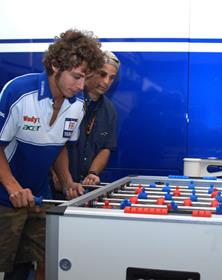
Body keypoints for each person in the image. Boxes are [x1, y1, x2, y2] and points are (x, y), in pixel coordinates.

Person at [0, 29, 103, 280]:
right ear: (56, 65)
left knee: (34, 261)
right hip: (4, 197)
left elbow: (60, 146)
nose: (80, 86)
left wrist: (66, 180)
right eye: (76, 77)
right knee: (5, 265)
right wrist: (13, 186)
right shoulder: (19, 93)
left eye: (85, 78)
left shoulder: (77, 105)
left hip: (38, 196)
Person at [67, 50, 119, 186]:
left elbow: (106, 148)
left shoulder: (109, 110)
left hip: (83, 187)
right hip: (56, 184)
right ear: (89, 72)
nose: (106, 82)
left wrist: (93, 173)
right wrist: (61, 177)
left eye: (112, 77)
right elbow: (53, 143)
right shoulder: (68, 99)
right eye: (102, 74)